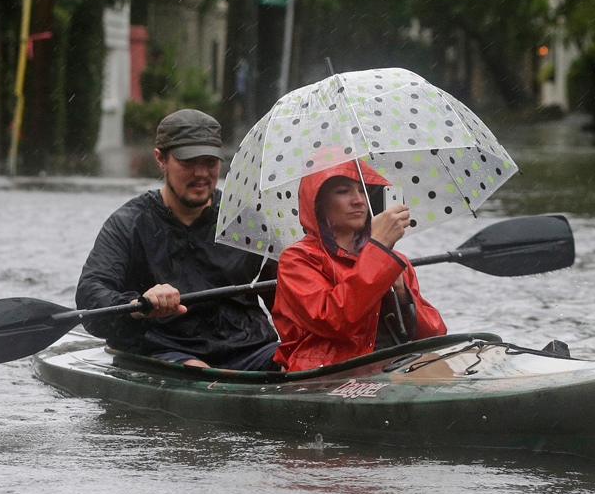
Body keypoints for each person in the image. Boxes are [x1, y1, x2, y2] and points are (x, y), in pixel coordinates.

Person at [75, 109, 279, 370]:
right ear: (161, 159)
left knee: (297, 362)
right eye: (188, 162)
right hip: (167, 350)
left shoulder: (247, 220)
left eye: (210, 162)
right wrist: (138, 305)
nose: (201, 174)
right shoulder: (128, 224)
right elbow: (92, 295)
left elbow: (285, 299)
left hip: (251, 348)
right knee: (197, 371)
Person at [271, 159, 446, 372]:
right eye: (343, 191)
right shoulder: (297, 259)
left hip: (392, 368)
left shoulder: (391, 259)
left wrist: (401, 293)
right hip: (328, 374)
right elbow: (334, 321)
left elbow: (435, 335)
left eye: (363, 191)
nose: (359, 201)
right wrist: (379, 249)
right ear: (317, 203)